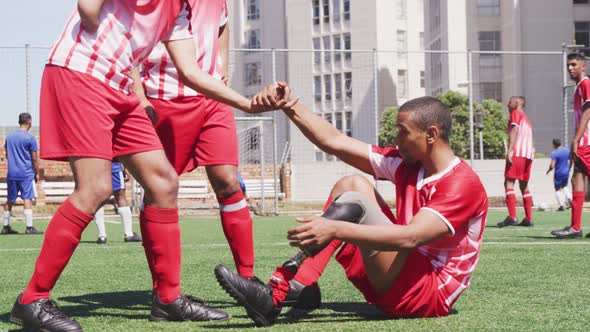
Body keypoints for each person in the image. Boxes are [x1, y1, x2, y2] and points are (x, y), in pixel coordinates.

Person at [9, 2, 287, 331]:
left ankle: (168, 300)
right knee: (95, 187)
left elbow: (192, 72)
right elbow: (87, 9)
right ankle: (32, 299)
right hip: (81, 74)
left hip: (119, 87)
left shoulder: (179, 11)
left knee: (163, 183)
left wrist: (246, 103)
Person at [214, 93, 488, 326]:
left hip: (427, 296)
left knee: (358, 202)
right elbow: (334, 141)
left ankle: (277, 293)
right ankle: (299, 285)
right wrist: (290, 104)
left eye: (403, 131)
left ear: (431, 135)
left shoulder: (461, 184)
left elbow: (411, 237)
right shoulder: (410, 166)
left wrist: (334, 227)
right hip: (402, 273)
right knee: (352, 183)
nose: (396, 138)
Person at [131, 0, 256, 280]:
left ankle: (248, 279)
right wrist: (139, 96)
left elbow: (223, 24)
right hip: (165, 99)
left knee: (228, 180)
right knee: (160, 189)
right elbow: (129, 40)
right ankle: (164, 288)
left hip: (213, 98)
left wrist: (222, 69)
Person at [551, 52, 590, 238]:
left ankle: (575, 227)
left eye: (574, 64)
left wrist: (576, 140)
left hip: (586, 143)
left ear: (583, 66)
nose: (570, 68)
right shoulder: (578, 87)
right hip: (584, 142)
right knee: (577, 180)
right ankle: (575, 227)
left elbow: (588, 110)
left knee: (577, 180)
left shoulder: (585, 84)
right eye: (568, 65)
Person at [1, 113, 43, 235]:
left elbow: (7, 154)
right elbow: (35, 158)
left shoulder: (10, 136)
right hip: (25, 173)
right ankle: (29, 227)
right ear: (29, 122)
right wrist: (36, 173)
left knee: (10, 199)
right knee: (27, 198)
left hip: (12, 173)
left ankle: (5, 226)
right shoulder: (30, 138)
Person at [497, 96, 535, 227]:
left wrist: (510, 150)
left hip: (517, 152)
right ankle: (529, 218)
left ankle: (512, 217)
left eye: (510, 102)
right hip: (528, 154)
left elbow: (514, 129)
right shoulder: (527, 119)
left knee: (509, 182)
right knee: (524, 185)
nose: (507, 104)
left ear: (517, 103)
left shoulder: (515, 113)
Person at [94, 162, 141, 244]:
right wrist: (126, 168)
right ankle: (129, 234)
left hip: (97, 167)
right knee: (120, 197)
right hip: (114, 166)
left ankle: (102, 236)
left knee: (98, 198)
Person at [546, 138, 572, 211]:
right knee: (565, 186)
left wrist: (548, 170)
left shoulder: (555, 153)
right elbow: (572, 159)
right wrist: (569, 167)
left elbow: (552, 165)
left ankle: (561, 205)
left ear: (554, 144)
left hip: (559, 173)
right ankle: (570, 199)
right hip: (566, 172)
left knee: (557, 189)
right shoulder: (567, 150)